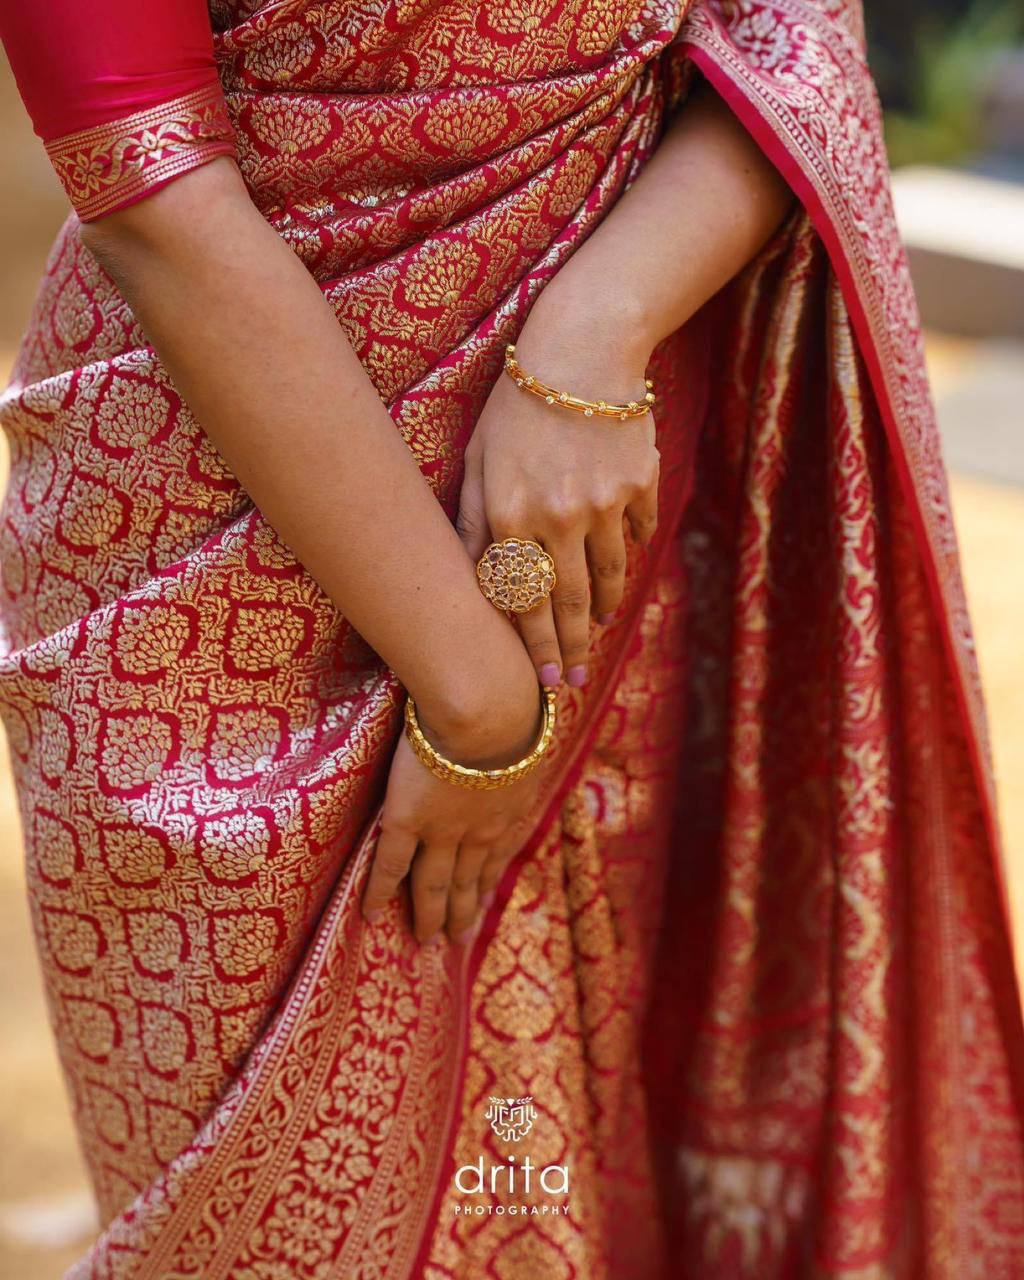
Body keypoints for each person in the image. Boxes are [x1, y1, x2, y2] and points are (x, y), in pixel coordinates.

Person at [0, 0, 1021, 1275]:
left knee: (605, 1150)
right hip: (221, 599)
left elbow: (791, 36)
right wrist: (480, 693)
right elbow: (150, 188)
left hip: (638, 510)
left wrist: (592, 337)